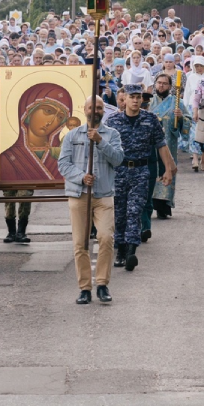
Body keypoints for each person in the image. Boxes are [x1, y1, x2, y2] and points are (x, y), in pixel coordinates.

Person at [58, 96, 124, 304]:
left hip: (103, 195)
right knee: (81, 243)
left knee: (106, 238)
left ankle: (102, 284)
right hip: (79, 195)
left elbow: (118, 159)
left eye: (99, 107)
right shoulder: (72, 135)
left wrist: (100, 142)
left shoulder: (112, 134)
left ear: (104, 110)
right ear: (84, 109)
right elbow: (63, 164)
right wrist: (81, 177)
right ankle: (84, 288)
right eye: (91, 107)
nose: (95, 110)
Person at [107, 84, 173, 271]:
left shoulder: (150, 119)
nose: (136, 100)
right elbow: (104, 148)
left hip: (141, 171)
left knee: (135, 210)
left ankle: (131, 250)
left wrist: (167, 170)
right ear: (124, 99)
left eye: (139, 97)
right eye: (132, 96)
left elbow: (161, 145)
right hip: (119, 171)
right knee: (120, 212)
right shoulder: (113, 121)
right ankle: (120, 249)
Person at [0, 83, 71, 183]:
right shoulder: (8, 158)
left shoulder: (63, 153)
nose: (51, 121)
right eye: (48, 111)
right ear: (29, 111)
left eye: (60, 117)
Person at [145, 73, 187, 225]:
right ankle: (150, 205)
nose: (161, 85)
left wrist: (181, 117)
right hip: (150, 145)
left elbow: (188, 123)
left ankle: (163, 207)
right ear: (155, 84)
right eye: (159, 83)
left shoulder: (177, 103)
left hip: (169, 144)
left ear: (170, 87)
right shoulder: (148, 102)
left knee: (166, 170)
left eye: (165, 83)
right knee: (151, 172)